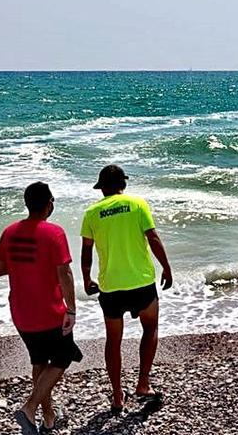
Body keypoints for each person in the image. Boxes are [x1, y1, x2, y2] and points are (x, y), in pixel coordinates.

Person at [80, 165, 174, 414]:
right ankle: (143, 383)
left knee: (113, 341)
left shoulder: (92, 213)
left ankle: (117, 395)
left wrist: (87, 278)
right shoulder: (138, 204)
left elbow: (86, 250)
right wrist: (166, 267)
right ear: (123, 184)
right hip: (141, 282)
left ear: (102, 188)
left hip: (111, 286)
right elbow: (153, 238)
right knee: (150, 328)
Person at [0, 182, 81, 435]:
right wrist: (71, 310)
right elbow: (64, 273)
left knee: (40, 361)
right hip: (49, 312)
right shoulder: (54, 233)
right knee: (63, 358)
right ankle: (29, 408)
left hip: (21, 313)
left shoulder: (10, 232)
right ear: (49, 204)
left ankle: (49, 417)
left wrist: (25, 265)